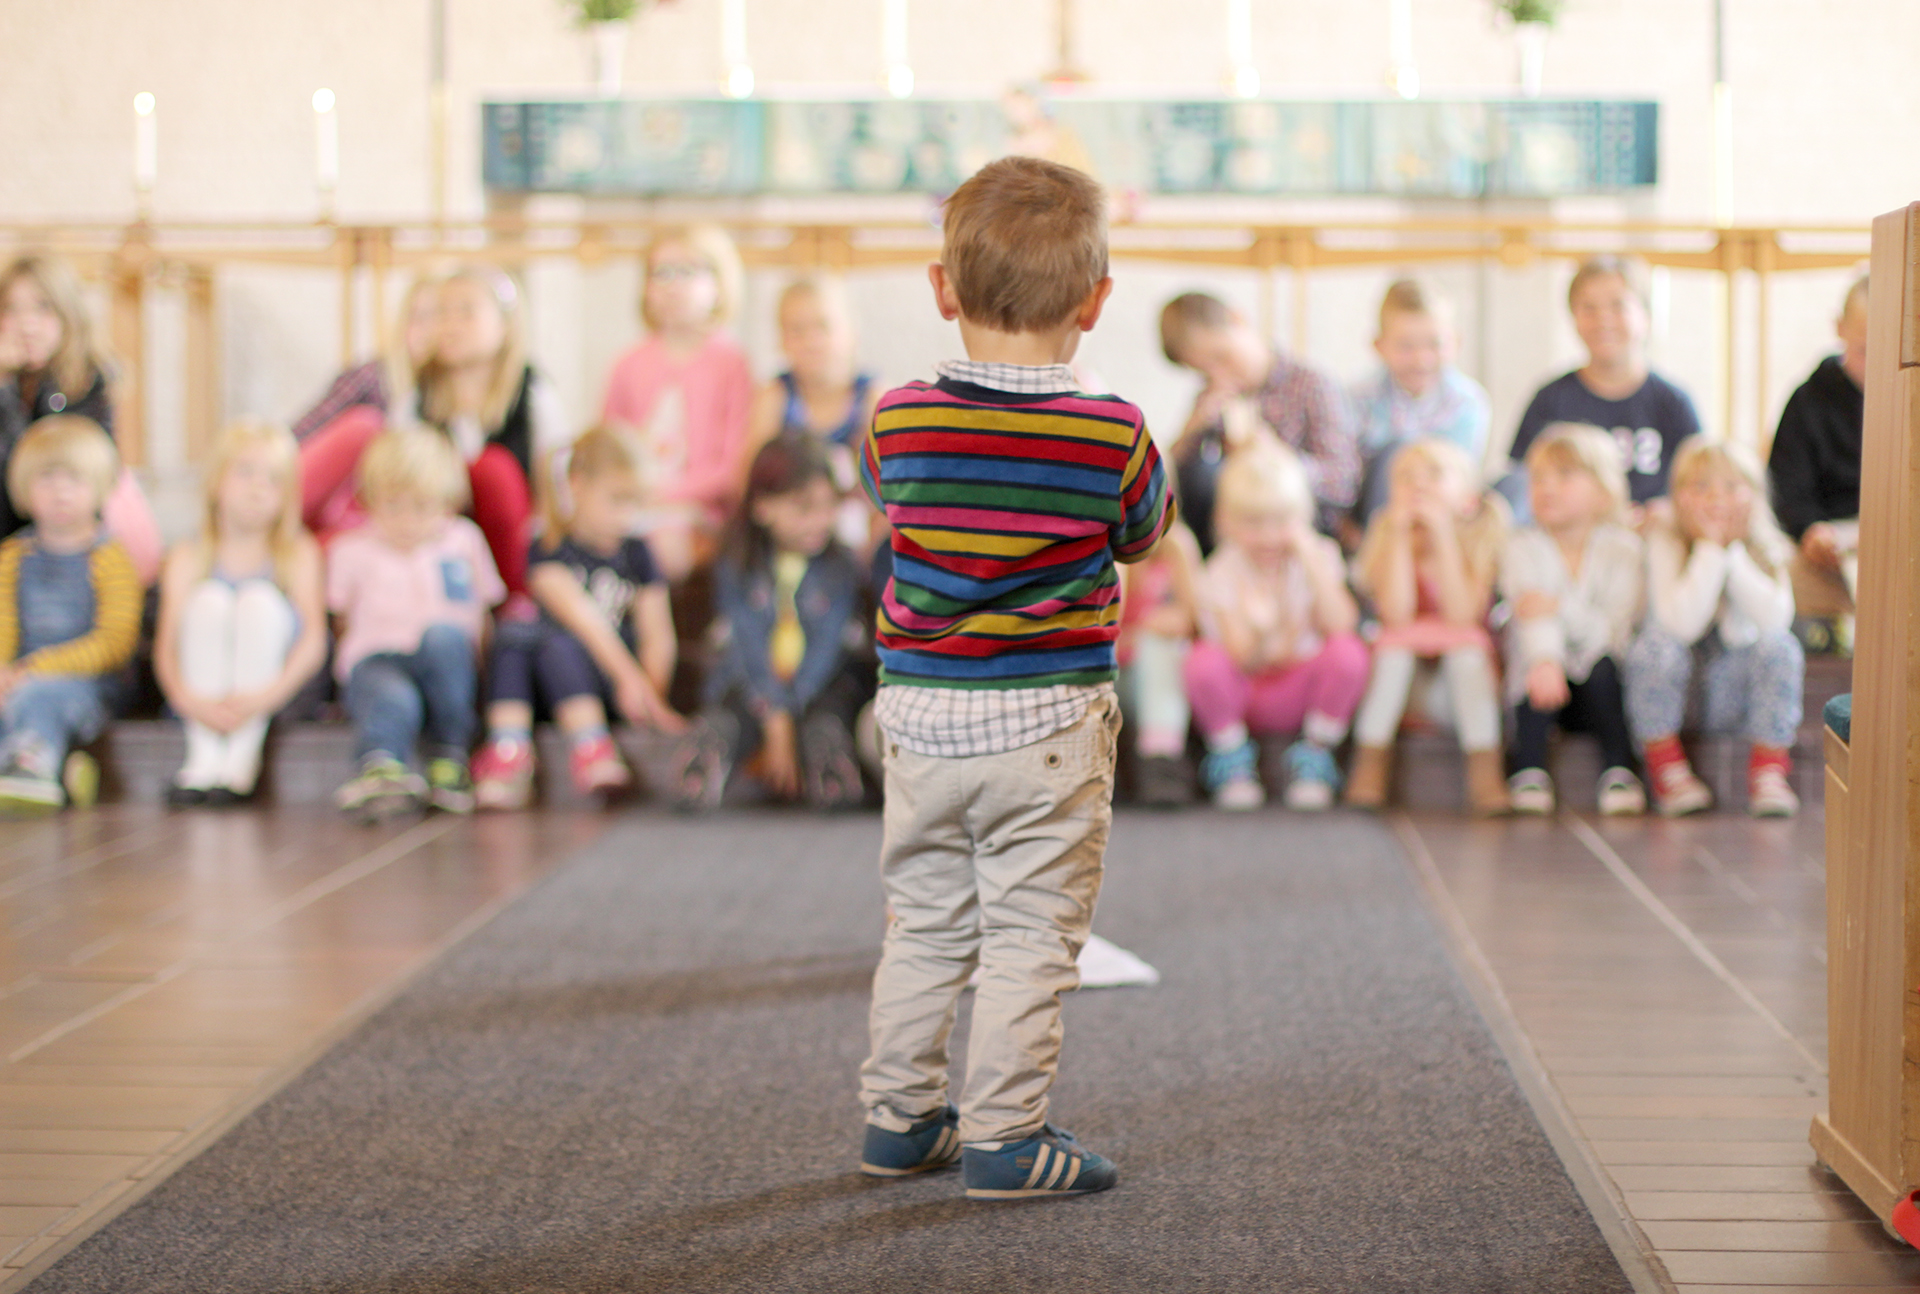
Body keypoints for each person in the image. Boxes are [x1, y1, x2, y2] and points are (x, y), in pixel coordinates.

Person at [855, 156, 1175, 1200]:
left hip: (919, 714)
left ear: (943, 290)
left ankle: (900, 1119)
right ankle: (1004, 1136)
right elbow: (1143, 536)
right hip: (1046, 724)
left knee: (925, 925)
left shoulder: (898, 418)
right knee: (1031, 935)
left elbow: (892, 505)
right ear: (1096, 301)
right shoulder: (1113, 431)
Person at [300, 266, 569, 602]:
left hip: (511, 537)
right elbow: (402, 468)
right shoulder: (418, 395)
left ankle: (515, 600)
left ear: (505, 325)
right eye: (442, 313)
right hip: (435, 531)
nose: (451, 325)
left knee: (493, 471)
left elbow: (555, 481)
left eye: (466, 313)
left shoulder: (531, 392)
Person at [471, 427, 681, 810]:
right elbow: (583, 619)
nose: (628, 516)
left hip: (609, 685)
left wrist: (649, 692)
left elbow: (658, 634)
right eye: (617, 500)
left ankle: (592, 746)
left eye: (636, 503)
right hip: (565, 678)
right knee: (522, 636)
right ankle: (508, 750)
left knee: (550, 642)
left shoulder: (638, 552)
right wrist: (630, 678)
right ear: (578, 484)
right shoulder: (547, 548)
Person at [672, 434, 872, 813]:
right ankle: (707, 760)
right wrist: (774, 713)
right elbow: (745, 642)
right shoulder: (737, 565)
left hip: (817, 685)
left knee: (830, 709)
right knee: (730, 712)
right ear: (762, 506)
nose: (820, 520)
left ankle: (830, 764)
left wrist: (790, 707)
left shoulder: (841, 567)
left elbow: (828, 647)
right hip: (754, 687)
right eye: (804, 508)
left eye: (829, 506)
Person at [327, 429, 505, 823]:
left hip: (446, 661)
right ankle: (382, 769)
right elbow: (341, 620)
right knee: (392, 697)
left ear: (448, 502)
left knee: (444, 639)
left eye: (422, 507)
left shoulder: (463, 541)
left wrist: (481, 671)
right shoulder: (351, 550)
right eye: (393, 506)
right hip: (378, 658)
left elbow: (483, 610)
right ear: (369, 500)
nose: (407, 521)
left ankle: (449, 759)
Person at [1182, 442, 1367, 812]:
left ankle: (1315, 756)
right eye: (1253, 523)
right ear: (1226, 522)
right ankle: (1232, 760)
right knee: (1201, 661)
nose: (1269, 536)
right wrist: (1267, 631)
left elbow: (1341, 623)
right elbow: (1243, 658)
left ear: (1302, 517)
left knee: (1349, 652)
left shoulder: (1320, 557)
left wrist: (1312, 563)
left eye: (1281, 521)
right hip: (1249, 692)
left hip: (1301, 689)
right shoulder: (1221, 571)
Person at [1625, 435, 1802, 818]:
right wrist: (1708, 549)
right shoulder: (1664, 541)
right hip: (1679, 693)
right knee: (1652, 646)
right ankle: (1668, 771)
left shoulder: (1767, 545)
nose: (1715, 499)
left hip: (1735, 692)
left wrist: (1731, 553)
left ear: (1754, 495)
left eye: (1731, 487)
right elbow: (1679, 625)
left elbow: (1775, 619)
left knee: (1781, 646)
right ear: (1677, 496)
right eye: (1700, 486)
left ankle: (1769, 772)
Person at [152, 422, 327, 806]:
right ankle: (202, 759)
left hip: (277, 696)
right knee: (209, 600)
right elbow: (166, 647)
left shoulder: (298, 553)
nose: (258, 487)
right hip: (199, 701)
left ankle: (240, 761)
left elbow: (314, 641)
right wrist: (189, 702)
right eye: (245, 471)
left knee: (258, 602)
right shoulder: (187, 556)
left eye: (274, 479)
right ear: (216, 481)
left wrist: (265, 698)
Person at [1347, 437, 1510, 815]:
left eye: (1434, 475)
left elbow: (1461, 616)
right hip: (1402, 695)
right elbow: (1396, 616)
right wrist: (1399, 538)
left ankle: (1485, 767)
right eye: (1406, 478)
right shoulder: (1385, 540)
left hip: (1458, 697)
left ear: (1468, 498)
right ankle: (1371, 760)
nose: (1418, 485)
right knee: (1394, 649)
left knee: (1467, 650)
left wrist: (1442, 536)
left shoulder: (1479, 545)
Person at [1499, 424, 1646, 817]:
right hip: (1544, 682)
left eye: (1564, 475)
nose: (1547, 487)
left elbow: (1612, 629)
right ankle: (1528, 765)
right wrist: (1546, 658)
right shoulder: (1521, 547)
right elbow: (1530, 615)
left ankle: (1619, 767)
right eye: (1538, 478)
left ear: (1603, 491)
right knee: (1533, 659)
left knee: (1602, 666)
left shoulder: (1624, 550)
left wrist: (1558, 607)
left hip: (1601, 680)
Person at [0, 416, 141, 812]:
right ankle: (61, 772)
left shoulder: (109, 558)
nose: (60, 491)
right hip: (22, 675)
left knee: (41, 696)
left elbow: (114, 642)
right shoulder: (12, 557)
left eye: (74, 479)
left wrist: (35, 669)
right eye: (46, 478)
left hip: (91, 683)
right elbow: (4, 626)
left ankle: (32, 769)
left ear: (100, 487)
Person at [601, 224, 754, 581]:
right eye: (661, 272)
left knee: (661, 545)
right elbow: (608, 446)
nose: (672, 285)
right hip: (633, 500)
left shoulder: (731, 365)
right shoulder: (628, 364)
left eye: (687, 271)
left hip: (702, 510)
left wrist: (663, 494)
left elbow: (733, 466)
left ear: (720, 284)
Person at [0, 254, 163, 584]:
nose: (26, 323)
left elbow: (47, 465)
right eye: (12, 309)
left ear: (68, 315)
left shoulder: (88, 381)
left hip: (65, 531)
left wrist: (7, 396)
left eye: (43, 308)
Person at [1158, 290, 1360, 552]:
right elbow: (1167, 481)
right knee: (1196, 473)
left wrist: (1278, 459)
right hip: (1233, 531)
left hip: (1299, 522)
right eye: (1203, 371)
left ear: (1237, 319)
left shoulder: (1312, 384)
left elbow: (1342, 482)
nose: (1219, 375)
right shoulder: (1211, 398)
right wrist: (1191, 429)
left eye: (1222, 356)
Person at [1505, 256, 1701, 519]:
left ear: (1646, 316)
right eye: (1589, 308)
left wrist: (1663, 512)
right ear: (1573, 318)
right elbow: (1520, 481)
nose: (1603, 319)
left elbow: (1699, 484)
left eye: (1618, 306)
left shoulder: (1673, 403)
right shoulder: (1550, 401)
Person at [744, 277, 882, 552]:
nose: (811, 341)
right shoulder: (775, 397)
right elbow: (753, 479)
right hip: (788, 530)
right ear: (780, 340)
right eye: (797, 331)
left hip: (855, 531)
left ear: (852, 332)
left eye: (823, 326)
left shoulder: (872, 398)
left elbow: (889, 491)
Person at [1349, 277, 1490, 525]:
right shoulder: (1359, 399)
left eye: (1434, 344)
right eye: (1406, 346)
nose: (1421, 360)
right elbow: (1351, 477)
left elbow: (1462, 477)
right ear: (1379, 346)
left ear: (1456, 343)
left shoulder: (1467, 402)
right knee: (1398, 455)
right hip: (1381, 515)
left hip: (1448, 513)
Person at [1768, 273, 1868, 621]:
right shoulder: (1809, 400)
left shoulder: (1907, 398)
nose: (1875, 365)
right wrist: (1811, 530)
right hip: (1832, 538)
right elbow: (1785, 486)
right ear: (1840, 328)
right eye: (1864, 351)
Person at [290, 274, 440, 442]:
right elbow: (300, 434)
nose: (429, 330)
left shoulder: (443, 398)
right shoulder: (370, 379)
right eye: (419, 317)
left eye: (439, 318)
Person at [1115, 519, 1202, 807]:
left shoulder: (1176, 546)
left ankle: (1161, 763)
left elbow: (1191, 621)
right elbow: (1105, 627)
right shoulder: (1098, 548)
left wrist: (1142, 631)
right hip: (1111, 675)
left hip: (1153, 676)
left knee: (1159, 646)